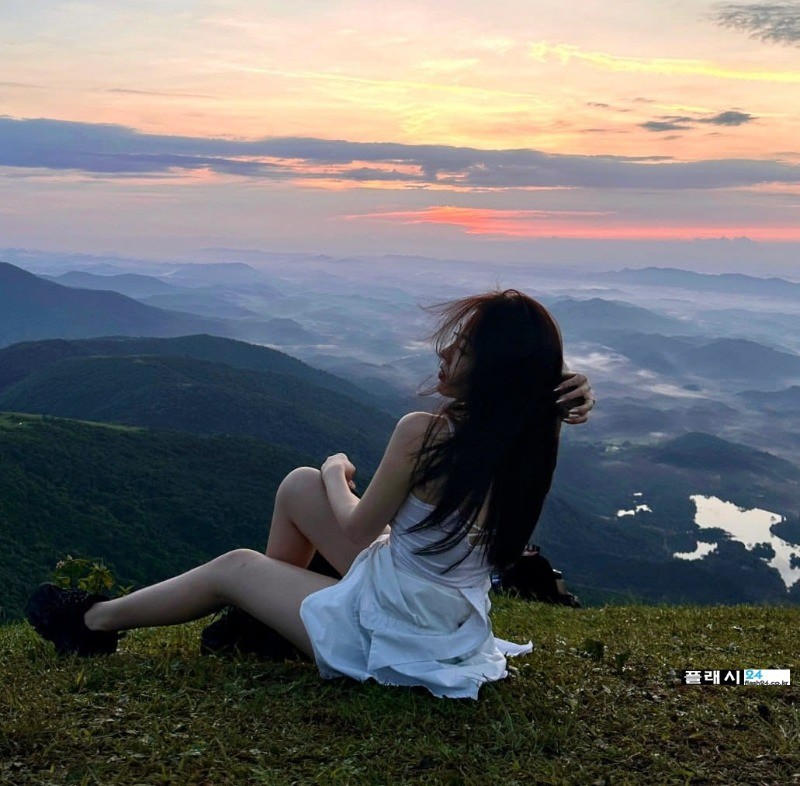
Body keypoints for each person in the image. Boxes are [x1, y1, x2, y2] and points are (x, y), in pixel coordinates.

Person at [25, 289, 595, 700]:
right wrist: (565, 393)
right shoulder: (529, 436)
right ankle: (270, 624)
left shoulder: (426, 432)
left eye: (462, 347)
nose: (445, 354)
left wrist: (334, 471)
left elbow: (357, 529)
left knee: (236, 564)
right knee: (296, 486)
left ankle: (92, 623)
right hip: (438, 613)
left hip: (396, 627)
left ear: (493, 367)